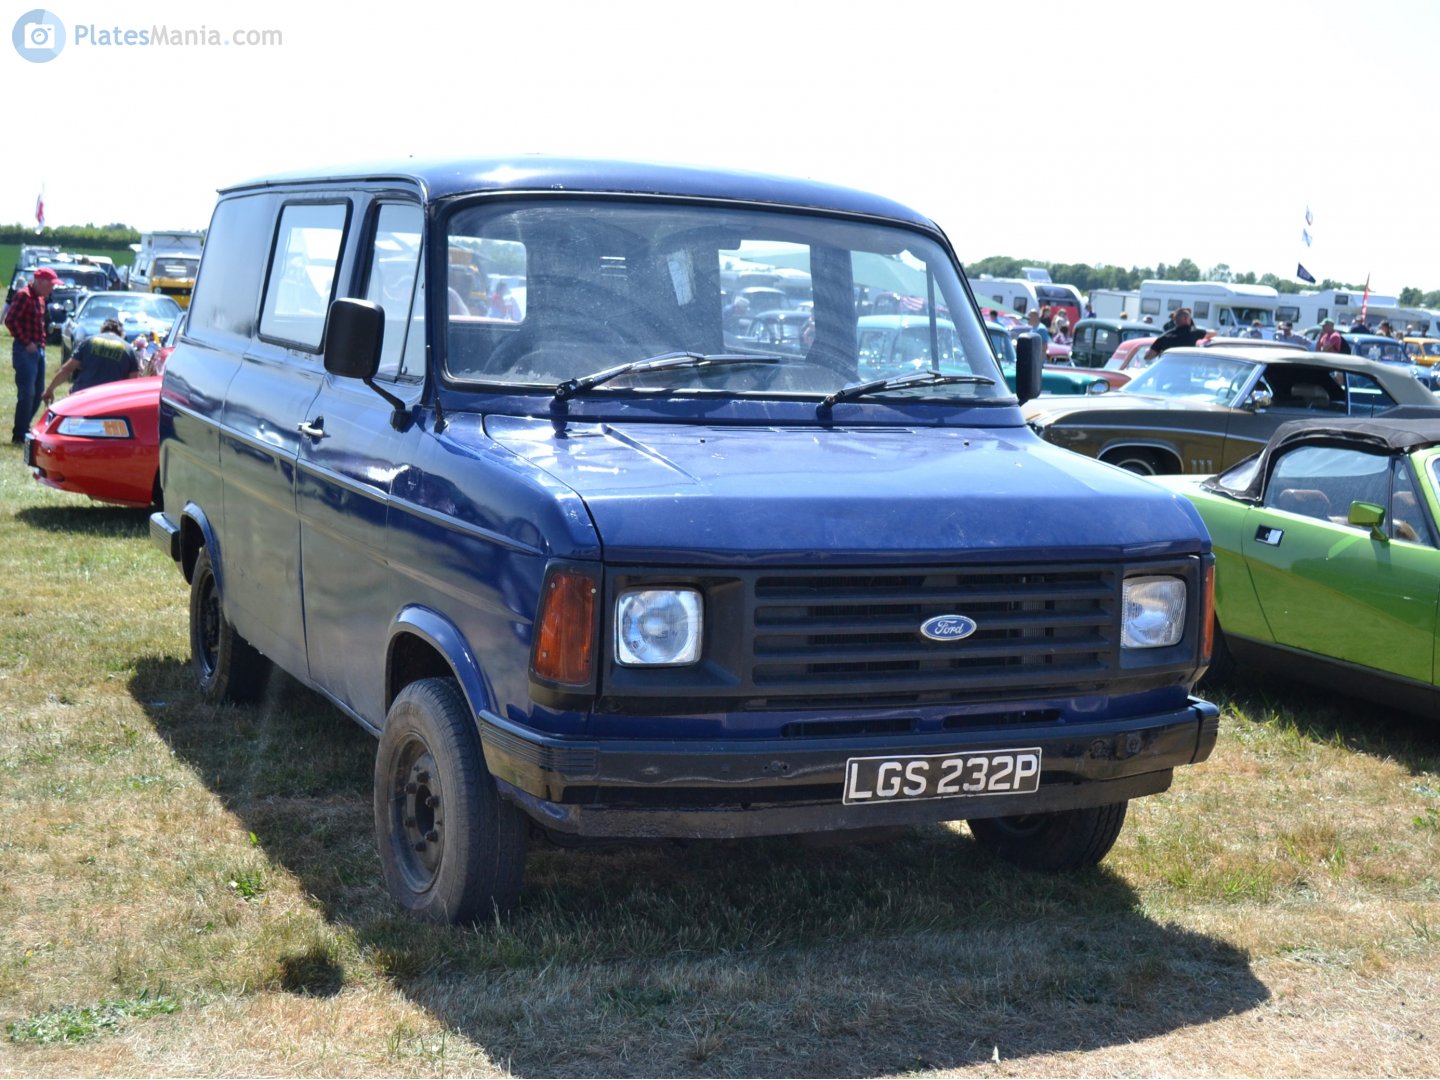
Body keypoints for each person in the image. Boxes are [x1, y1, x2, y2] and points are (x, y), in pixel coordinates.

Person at [4, 267, 58, 443]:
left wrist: (41, 343)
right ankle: (19, 434)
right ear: (40, 282)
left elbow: (40, 324)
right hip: (24, 351)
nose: (52, 289)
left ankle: (24, 427)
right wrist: (27, 342)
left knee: (38, 394)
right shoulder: (23, 296)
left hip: (38, 351)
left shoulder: (41, 298)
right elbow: (10, 320)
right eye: (50, 285)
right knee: (27, 393)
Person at [41, 318, 141, 405]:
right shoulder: (129, 349)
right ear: (121, 333)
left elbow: (67, 369)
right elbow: (133, 382)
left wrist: (50, 389)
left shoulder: (89, 341)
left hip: (83, 396)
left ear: (102, 329)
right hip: (110, 401)